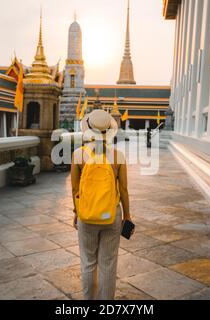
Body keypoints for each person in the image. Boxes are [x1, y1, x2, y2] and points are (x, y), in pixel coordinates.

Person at [71, 110, 132, 300]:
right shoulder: (118, 156)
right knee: (108, 264)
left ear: (88, 129)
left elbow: (75, 190)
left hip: (87, 215)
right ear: (109, 130)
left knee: (88, 263)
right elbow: (123, 190)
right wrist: (127, 216)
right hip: (111, 214)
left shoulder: (78, 155)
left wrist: (76, 212)